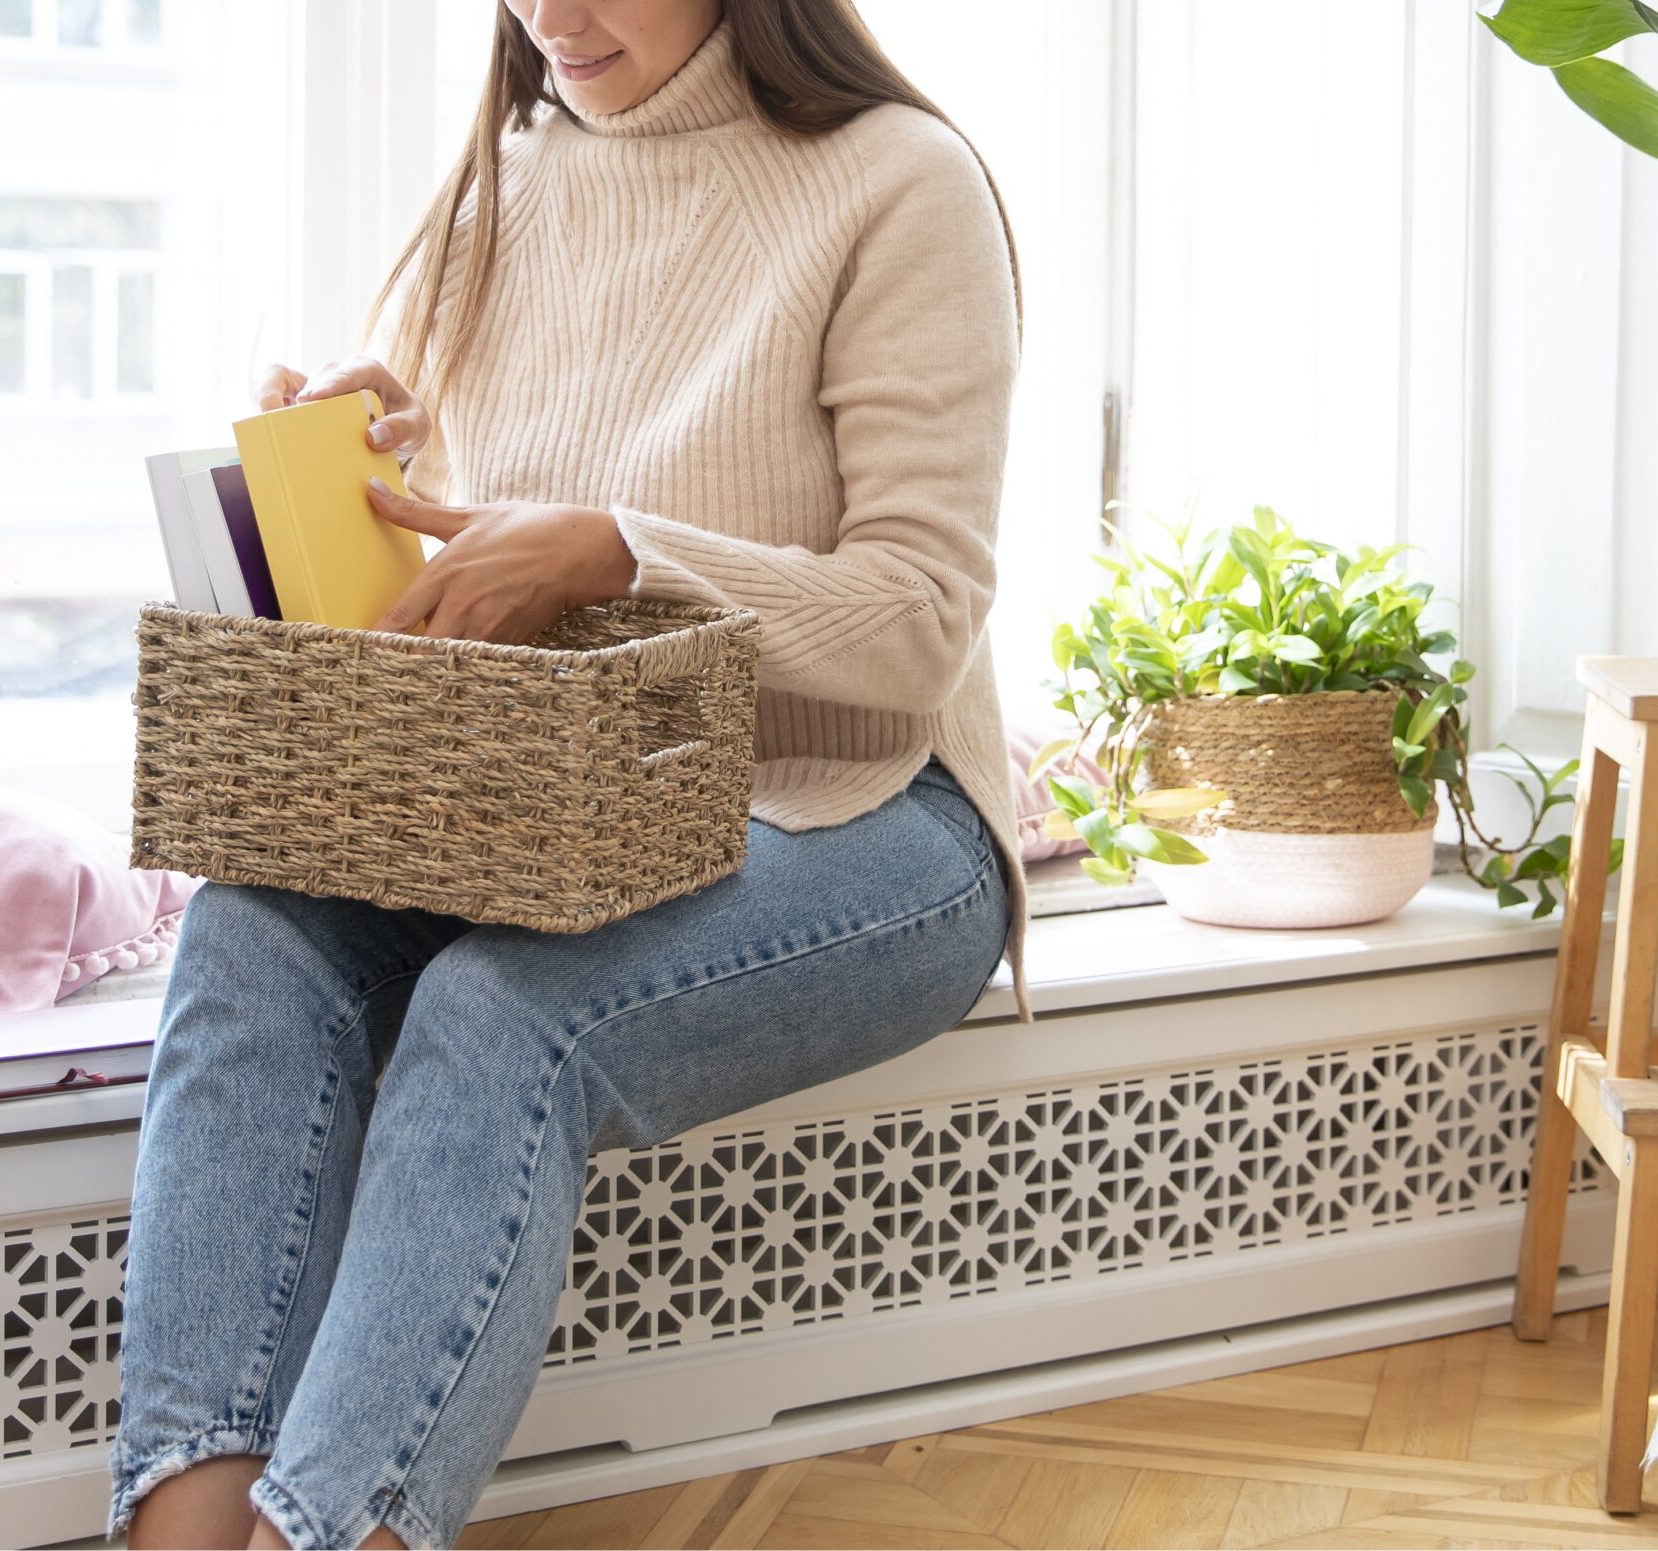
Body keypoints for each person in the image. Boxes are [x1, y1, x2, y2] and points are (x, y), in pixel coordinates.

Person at [108, 0, 1026, 1544]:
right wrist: (385, 475)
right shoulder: (506, 179)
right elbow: (505, 584)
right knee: (248, 929)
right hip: (566, 811)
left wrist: (618, 543)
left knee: (502, 1013)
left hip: (872, 814)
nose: (553, 14)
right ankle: (182, 1535)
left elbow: (916, 625)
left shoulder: (900, 181)